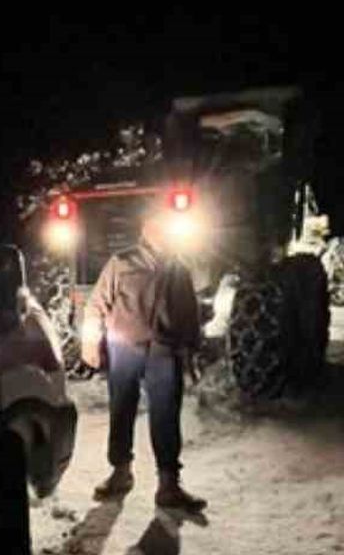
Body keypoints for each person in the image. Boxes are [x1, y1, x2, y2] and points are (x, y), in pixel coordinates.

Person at [80, 213, 207, 511]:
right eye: (155, 228)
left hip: (164, 351)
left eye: (165, 229)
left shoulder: (178, 268)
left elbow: (189, 314)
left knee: (166, 414)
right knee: (121, 410)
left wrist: (191, 350)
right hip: (124, 349)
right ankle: (120, 472)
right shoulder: (121, 263)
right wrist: (90, 342)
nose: (161, 234)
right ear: (145, 232)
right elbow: (96, 304)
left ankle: (168, 484)